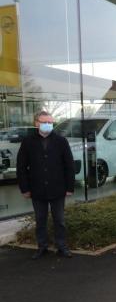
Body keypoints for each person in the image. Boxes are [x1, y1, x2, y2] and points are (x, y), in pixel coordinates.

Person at [17, 110, 75, 259]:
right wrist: (25, 188)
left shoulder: (61, 141)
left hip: (58, 188)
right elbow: (21, 167)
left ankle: (61, 246)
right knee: (40, 220)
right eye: (45, 122)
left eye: (50, 122)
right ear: (37, 123)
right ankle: (42, 247)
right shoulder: (28, 142)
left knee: (60, 220)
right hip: (37, 189)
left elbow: (69, 165)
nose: (48, 125)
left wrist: (70, 187)